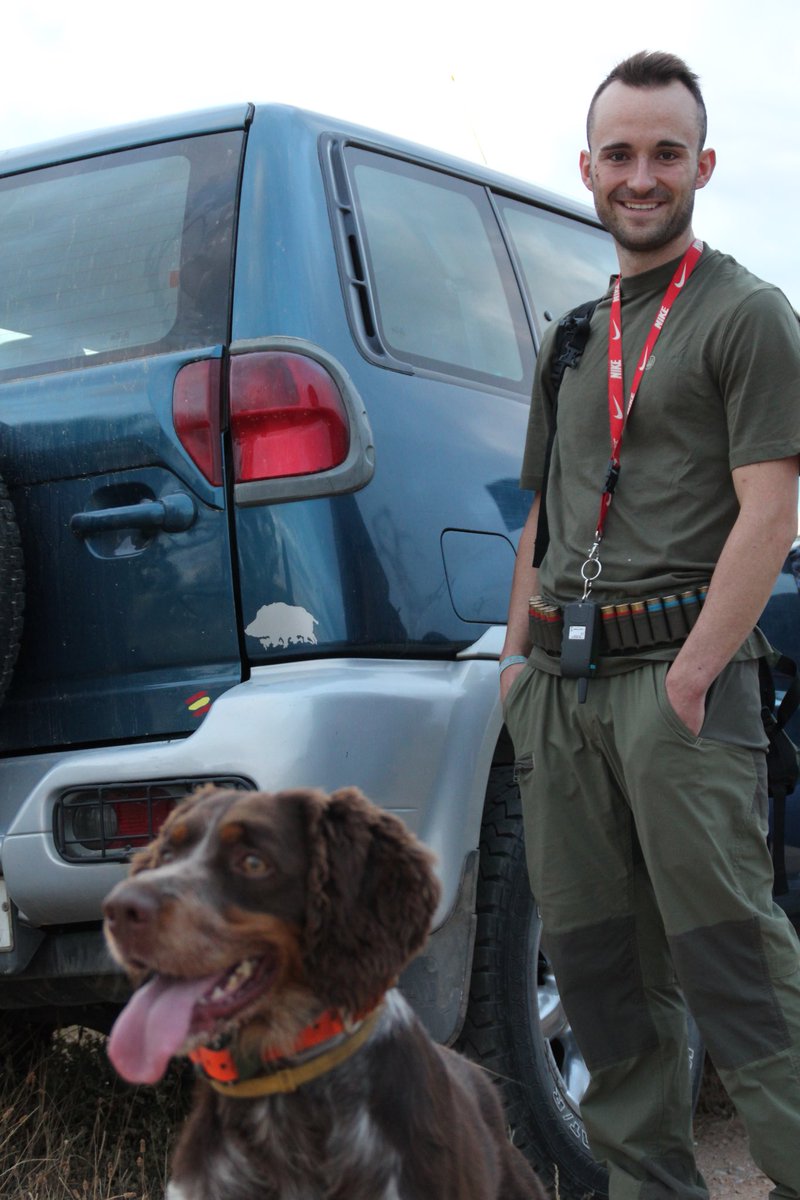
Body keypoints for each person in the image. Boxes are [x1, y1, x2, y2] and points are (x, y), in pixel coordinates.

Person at [500, 50, 800, 1199]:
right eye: (618, 154)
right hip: (560, 695)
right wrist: (511, 670)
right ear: (586, 168)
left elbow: (767, 513)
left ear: (701, 166)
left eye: (663, 154)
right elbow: (539, 517)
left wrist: (690, 678)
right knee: (595, 973)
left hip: (677, 685)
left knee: (732, 963)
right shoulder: (570, 337)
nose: (640, 175)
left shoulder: (745, 314)